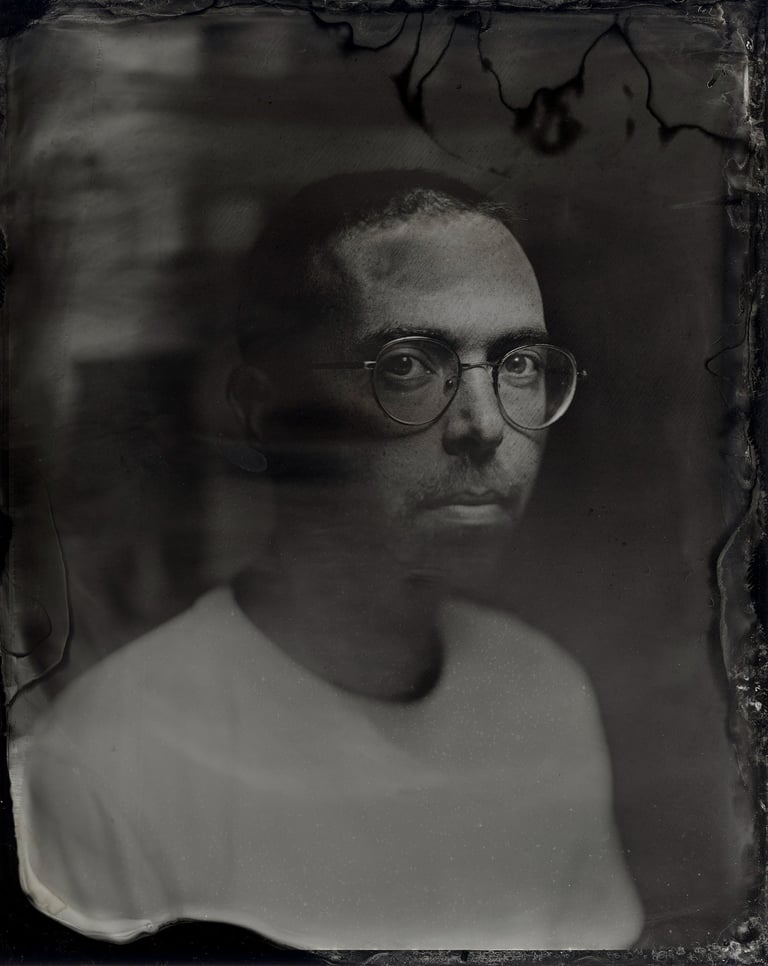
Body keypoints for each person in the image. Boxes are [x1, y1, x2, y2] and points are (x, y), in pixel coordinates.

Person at [15, 171, 643, 950]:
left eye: (517, 364)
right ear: (262, 409)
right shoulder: (107, 763)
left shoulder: (543, 692)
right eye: (409, 366)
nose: (485, 426)